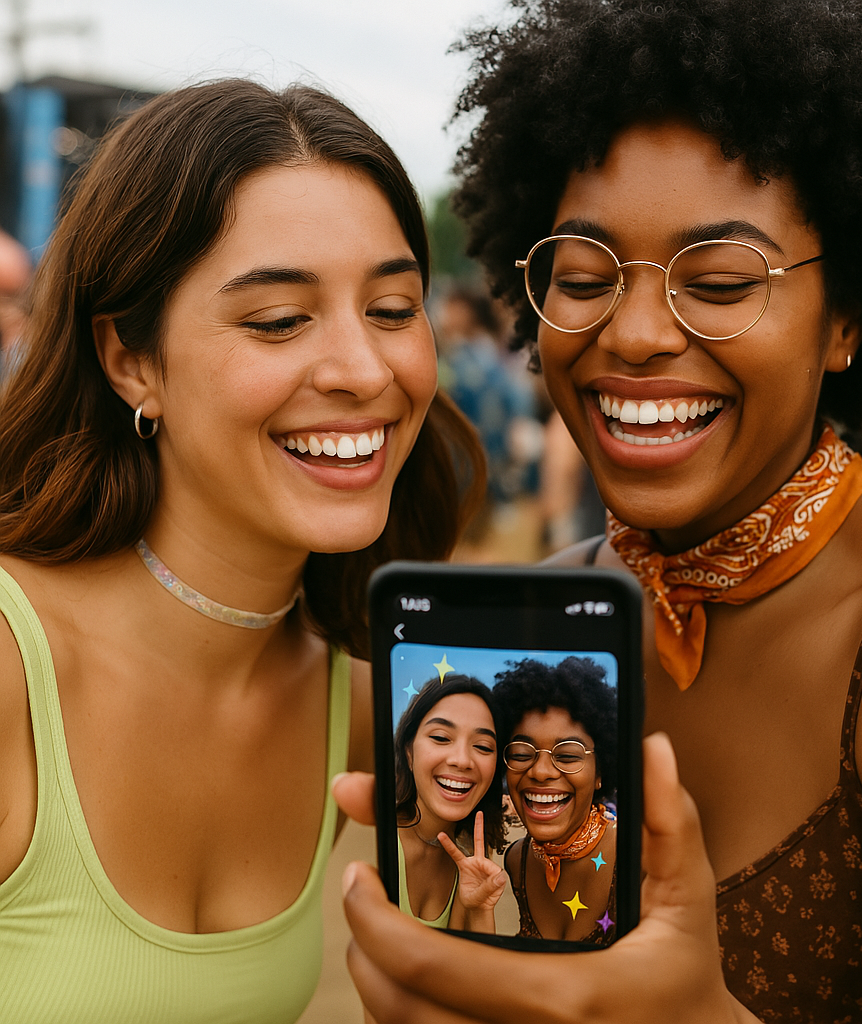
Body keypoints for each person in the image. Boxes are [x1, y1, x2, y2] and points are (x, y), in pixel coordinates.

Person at [334, 2, 862, 1022]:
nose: (636, 332)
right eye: (582, 276)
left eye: (720, 281)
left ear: (846, 317)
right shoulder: (538, 618)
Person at [0, 79, 482, 1023]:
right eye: (278, 321)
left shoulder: (370, 711)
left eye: (393, 308)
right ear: (131, 361)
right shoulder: (13, 672)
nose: (364, 370)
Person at [491, 657, 617, 945]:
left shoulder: (638, 858)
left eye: (568, 755)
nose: (540, 771)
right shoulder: (517, 861)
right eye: (522, 753)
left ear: (600, 773)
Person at [393, 674, 506, 931]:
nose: (462, 760)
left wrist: (478, 910)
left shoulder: (471, 855)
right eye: (441, 738)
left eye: (483, 747)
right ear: (408, 752)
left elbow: (467, 957)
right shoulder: (376, 839)